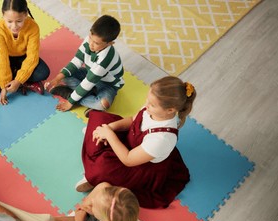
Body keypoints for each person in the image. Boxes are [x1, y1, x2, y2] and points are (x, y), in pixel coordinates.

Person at [77, 76, 196, 209]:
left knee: (103, 168)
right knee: (100, 119)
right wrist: (110, 127)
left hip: (138, 165)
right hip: (132, 139)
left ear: (170, 110)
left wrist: (109, 135)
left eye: (152, 104)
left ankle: (94, 179)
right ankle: (95, 174)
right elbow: (133, 120)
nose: (146, 105)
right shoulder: (150, 108)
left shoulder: (162, 138)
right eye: (148, 100)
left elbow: (128, 160)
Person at [44, 15, 124, 113]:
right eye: (90, 37)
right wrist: (57, 79)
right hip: (89, 72)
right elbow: (77, 60)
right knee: (64, 74)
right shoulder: (90, 40)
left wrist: (70, 102)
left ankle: (70, 94)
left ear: (110, 43)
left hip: (107, 84)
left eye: (96, 43)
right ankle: (84, 95)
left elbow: (88, 82)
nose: (91, 44)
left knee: (103, 105)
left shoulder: (105, 59)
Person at [0, 0, 50, 105]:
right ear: (3, 15)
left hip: (24, 56)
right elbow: (2, 58)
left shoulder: (33, 27)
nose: (14, 26)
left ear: (25, 15)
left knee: (43, 73)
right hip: (6, 55)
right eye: (9, 21)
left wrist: (18, 81)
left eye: (19, 21)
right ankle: (25, 83)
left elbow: (32, 57)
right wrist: (3, 86)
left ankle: (15, 82)